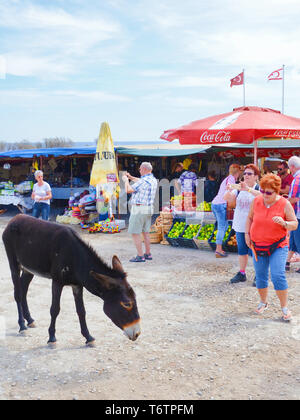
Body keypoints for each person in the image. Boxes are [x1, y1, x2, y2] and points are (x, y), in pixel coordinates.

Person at [245, 173, 298, 321]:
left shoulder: (284, 204)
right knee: (260, 276)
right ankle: (263, 302)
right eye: (262, 191)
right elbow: (249, 218)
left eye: (268, 192)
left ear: (277, 191)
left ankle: (284, 307)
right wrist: (246, 235)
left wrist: (284, 223)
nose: (264, 195)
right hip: (257, 245)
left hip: (278, 246)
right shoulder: (256, 201)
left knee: (277, 275)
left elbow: (294, 223)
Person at [224, 164, 261, 284]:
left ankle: (259, 275)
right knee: (242, 250)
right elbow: (227, 198)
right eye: (245, 173)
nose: (246, 176)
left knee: (256, 251)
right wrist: (229, 190)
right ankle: (242, 273)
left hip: (254, 225)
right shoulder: (239, 188)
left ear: (256, 176)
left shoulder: (258, 188)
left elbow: (264, 197)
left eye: (249, 174)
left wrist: (248, 189)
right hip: (240, 224)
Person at [123, 162, 158, 262]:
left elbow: (128, 190)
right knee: (146, 232)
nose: (139, 170)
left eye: (140, 169)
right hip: (148, 208)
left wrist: (126, 181)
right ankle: (148, 254)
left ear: (144, 169)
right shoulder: (152, 179)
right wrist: (130, 177)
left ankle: (140, 255)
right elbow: (140, 181)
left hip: (139, 209)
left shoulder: (143, 181)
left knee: (135, 232)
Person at [211, 163, 241, 258]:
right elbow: (230, 188)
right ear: (238, 172)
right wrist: (243, 187)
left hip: (215, 203)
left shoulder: (227, 178)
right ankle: (218, 250)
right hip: (221, 204)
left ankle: (219, 248)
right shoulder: (231, 179)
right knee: (222, 227)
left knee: (222, 226)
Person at [285, 156, 300, 273]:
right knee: (293, 240)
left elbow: (293, 198)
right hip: (296, 214)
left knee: (297, 239)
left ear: (292, 167)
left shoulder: (297, 178)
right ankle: (287, 262)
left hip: (298, 214)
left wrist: (284, 201)